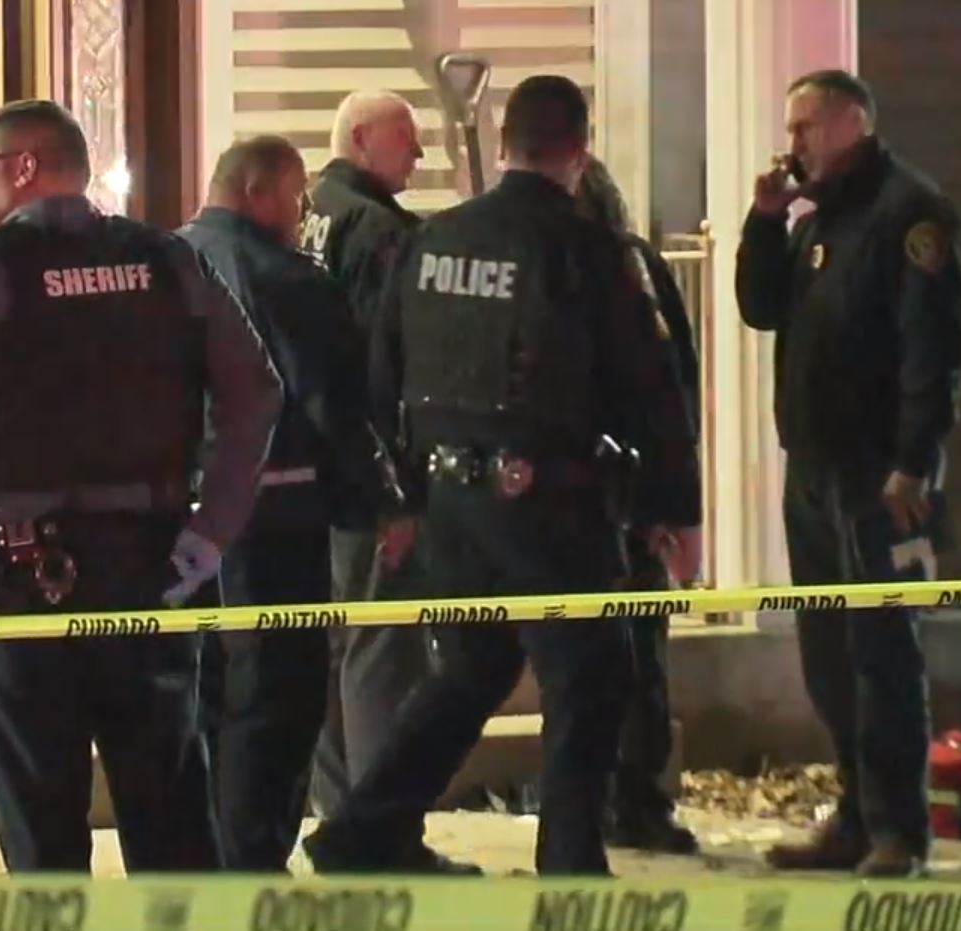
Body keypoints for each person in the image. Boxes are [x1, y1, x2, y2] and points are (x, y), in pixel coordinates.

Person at [0, 99, 283, 872]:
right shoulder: (168, 263)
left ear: (21, 168)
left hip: (14, 584)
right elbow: (256, 392)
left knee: (42, 838)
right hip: (152, 573)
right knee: (172, 821)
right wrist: (212, 530)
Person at [303, 75, 702, 876]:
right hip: (550, 503)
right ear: (578, 153)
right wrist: (673, 510)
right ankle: (570, 858)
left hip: (452, 506)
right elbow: (649, 389)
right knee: (590, 675)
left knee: (472, 670)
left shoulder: (431, 240)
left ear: (506, 143)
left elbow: (379, 378)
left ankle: (362, 828)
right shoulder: (589, 250)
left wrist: (399, 498)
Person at [736, 70, 961, 877]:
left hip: (880, 475)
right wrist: (765, 221)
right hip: (814, 467)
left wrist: (915, 462)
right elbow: (761, 308)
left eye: (804, 127)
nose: (791, 142)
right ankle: (854, 816)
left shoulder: (910, 212)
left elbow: (931, 351)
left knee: (882, 653)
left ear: (850, 125)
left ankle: (900, 830)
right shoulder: (817, 217)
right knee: (827, 652)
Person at [179, 135, 374, 871]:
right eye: (295, 198)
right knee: (279, 694)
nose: (300, 216)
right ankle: (250, 858)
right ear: (259, 192)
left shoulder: (160, 265)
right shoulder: (290, 280)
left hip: (177, 519)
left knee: (204, 691)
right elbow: (332, 403)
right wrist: (371, 506)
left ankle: (202, 854)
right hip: (277, 515)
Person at [298, 89, 435, 823]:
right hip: (366, 472)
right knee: (380, 644)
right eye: (406, 139)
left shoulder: (302, 214)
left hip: (301, 471)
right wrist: (394, 488)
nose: (419, 154)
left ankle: (338, 805)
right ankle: (378, 822)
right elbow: (385, 371)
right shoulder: (379, 231)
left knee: (325, 645)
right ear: (359, 138)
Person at [573, 154, 700, 855]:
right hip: (600, 499)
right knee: (620, 658)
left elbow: (666, 394)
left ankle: (633, 798)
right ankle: (618, 798)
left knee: (634, 657)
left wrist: (671, 504)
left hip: (621, 498)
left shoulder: (627, 270)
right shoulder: (588, 267)